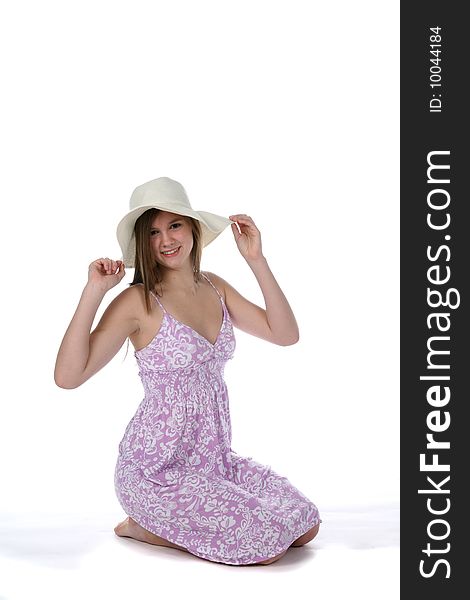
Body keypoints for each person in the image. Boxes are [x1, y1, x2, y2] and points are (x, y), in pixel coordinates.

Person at [54, 176, 320, 566]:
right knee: (266, 549)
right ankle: (142, 526)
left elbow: (285, 334)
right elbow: (68, 376)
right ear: (142, 242)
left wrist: (256, 260)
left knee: (305, 525)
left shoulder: (215, 287)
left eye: (174, 225)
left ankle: (164, 527)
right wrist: (94, 292)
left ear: (193, 228)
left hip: (214, 463)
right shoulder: (137, 302)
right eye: (153, 232)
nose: (165, 240)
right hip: (154, 472)